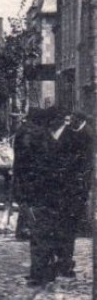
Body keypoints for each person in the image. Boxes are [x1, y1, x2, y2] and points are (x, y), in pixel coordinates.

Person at [12, 107, 61, 285]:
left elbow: (20, 165)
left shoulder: (25, 134)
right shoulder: (41, 136)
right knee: (43, 233)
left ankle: (39, 273)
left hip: (31, 192)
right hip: (42, 192)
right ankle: (42, 273)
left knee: (38, 234)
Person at [53, 111, 93, 278]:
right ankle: (64, 261)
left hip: (75, 187)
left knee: (68, 226)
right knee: (65, 226)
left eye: (73, 119)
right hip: (67, 187)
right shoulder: (71, 131)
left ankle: (64, 262)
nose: (70, 122)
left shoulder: (89, 134)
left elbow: (86, 163)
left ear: (80, 120)